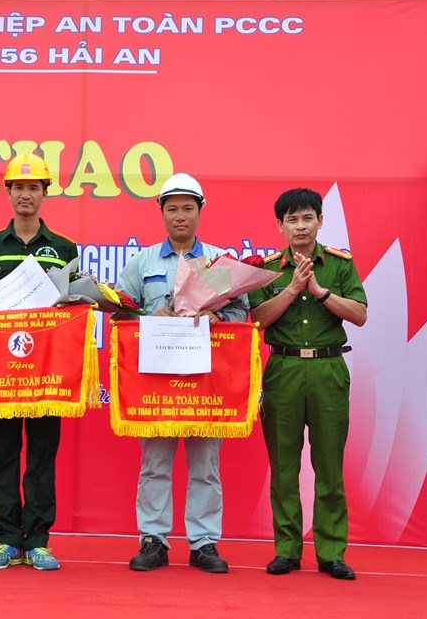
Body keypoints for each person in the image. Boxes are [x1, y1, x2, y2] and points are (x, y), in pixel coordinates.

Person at [115, 173, 248, 573]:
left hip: (206, 379)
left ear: (200, 211)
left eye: (188, 208)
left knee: (205, 465)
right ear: (161, 212)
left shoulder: (218, 263)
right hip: (156, 379)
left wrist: (218, 316)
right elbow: (119, 312)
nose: (180, 216)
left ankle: (204, 543)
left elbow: (242, 313)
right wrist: (147, 315)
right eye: (172, 208)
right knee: (154, 463)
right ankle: (153, 540)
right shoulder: (143, 262)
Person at [248, 187, 367, 581]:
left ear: (320, 221)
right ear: (280, 225)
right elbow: (256, 320)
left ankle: (331, 552)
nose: (300, 226)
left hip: (328, 370)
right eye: (292, 219)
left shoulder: (339, 264)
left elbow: (360, 314)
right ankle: (287, 550)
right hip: (282, 369)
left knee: (329, 464)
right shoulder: (267, 268)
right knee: (284, 466)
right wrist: (292, 288)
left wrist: (319, 291)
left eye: (307, 218)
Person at [0, 151, 78, 571]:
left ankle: (37, 541)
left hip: (46, 370)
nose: (26, 195)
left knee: (41, 455)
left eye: (34, 187)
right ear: (8, 192)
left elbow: (71, 307)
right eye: (19, 187)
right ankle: (5, 540)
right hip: (0, 369)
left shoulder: (64, 248)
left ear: (44, 193)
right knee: (1, 453)